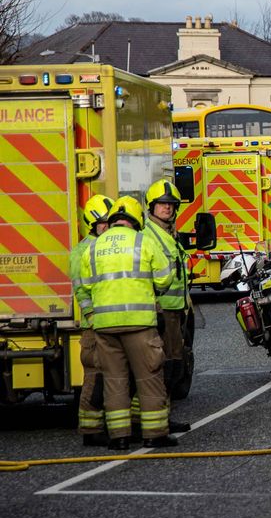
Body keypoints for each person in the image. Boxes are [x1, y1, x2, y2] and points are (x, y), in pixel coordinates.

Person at [78, 196, 177, 451]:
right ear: (136, 219)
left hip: (104, 327)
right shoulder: (143, 242)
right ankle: (154, 434)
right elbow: (165, 279)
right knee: (149, 377)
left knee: (114, 380)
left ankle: (119, 437)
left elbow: (86, 285)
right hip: (139, 324)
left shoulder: (95, 246)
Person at [142, 180, 193, 433]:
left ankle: (162, 416)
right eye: (162, 204)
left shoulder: (167, 234)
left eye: (171, 205)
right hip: (163, 311)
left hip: (174, 309)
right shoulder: (150, 236)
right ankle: (160, 419)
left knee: (173, 363)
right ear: (151, 207)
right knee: (167, 365)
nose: (167, 208)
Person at [71, 194, 114, 447]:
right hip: (94, 327)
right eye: (103, 224)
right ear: (92, 225)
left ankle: (108, 425)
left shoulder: (104, 247)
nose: (107, 227)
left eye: (110, 222)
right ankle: (90, 429)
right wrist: (92, 318)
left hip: (109, 322)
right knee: (95, 378)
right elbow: (82, 292)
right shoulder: (82, 252)